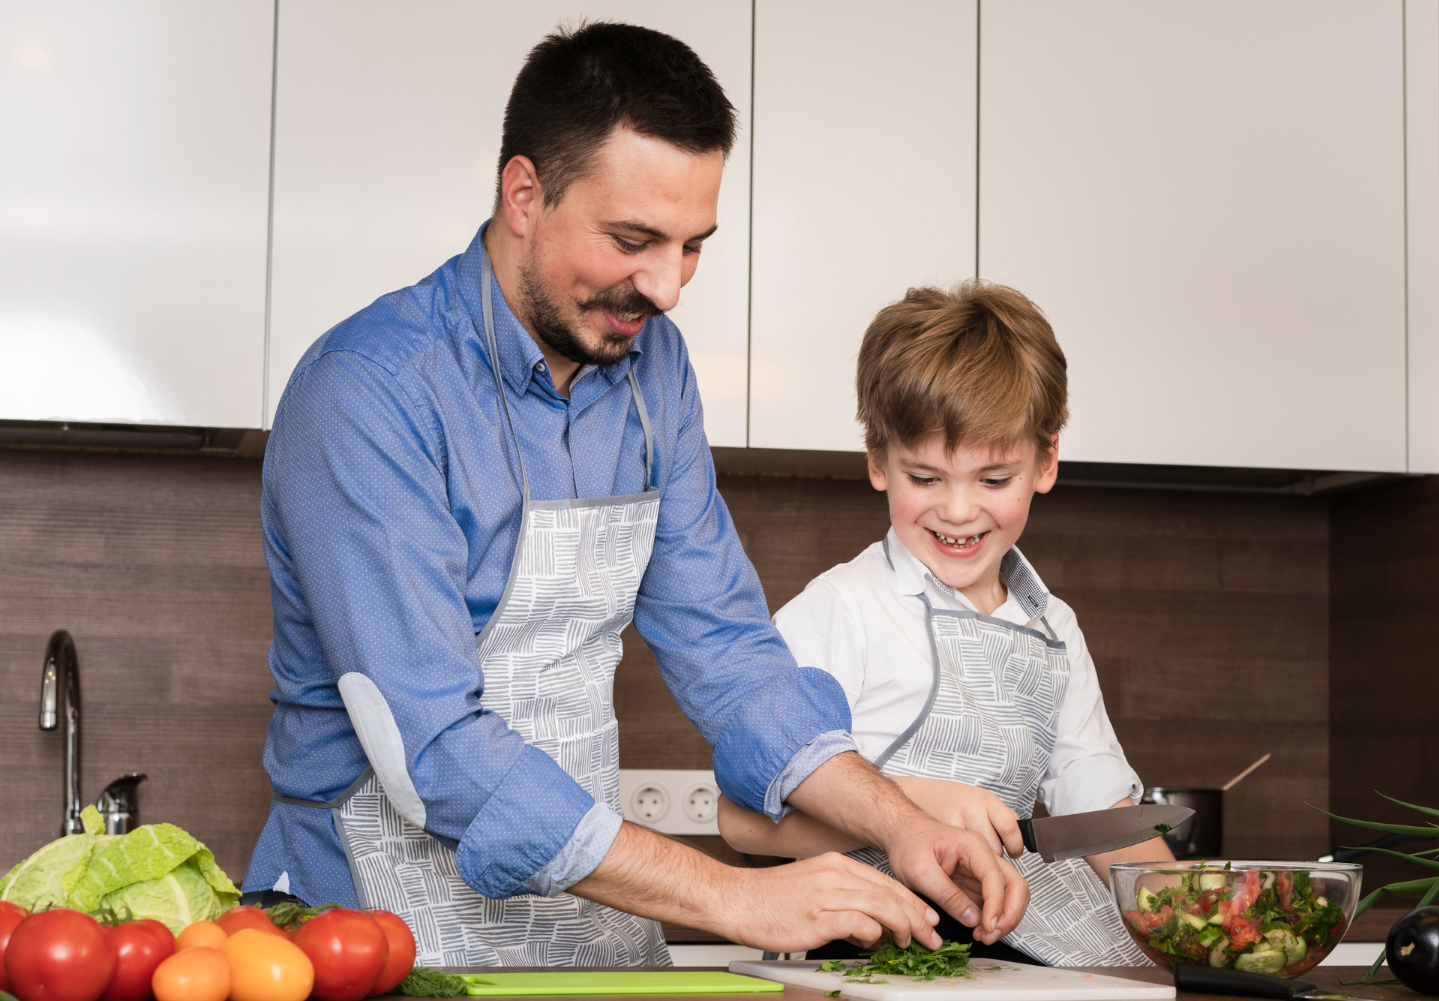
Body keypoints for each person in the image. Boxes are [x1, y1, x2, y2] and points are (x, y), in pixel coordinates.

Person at [242, 23, 1027, 967]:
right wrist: (735, 895)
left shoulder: (653, 369)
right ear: (524, 194)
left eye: (693, 246)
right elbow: (434, 751)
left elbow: (729, 653)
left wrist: (900, 823)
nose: (667, 287)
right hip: (369, 935)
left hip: (589, 930)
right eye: (633, 240)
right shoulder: (367, 392)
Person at [717, 282, 1174, 966]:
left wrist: (1190, 915)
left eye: (993, 480)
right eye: (926, 478)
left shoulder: (1054, 628)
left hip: (1008, 951)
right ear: (879, 461)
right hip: (871, 951)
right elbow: (743, 820)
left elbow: (1099, 814)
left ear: (1046, 462)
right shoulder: (844, 607)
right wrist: (907, 809)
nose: (959, 511)